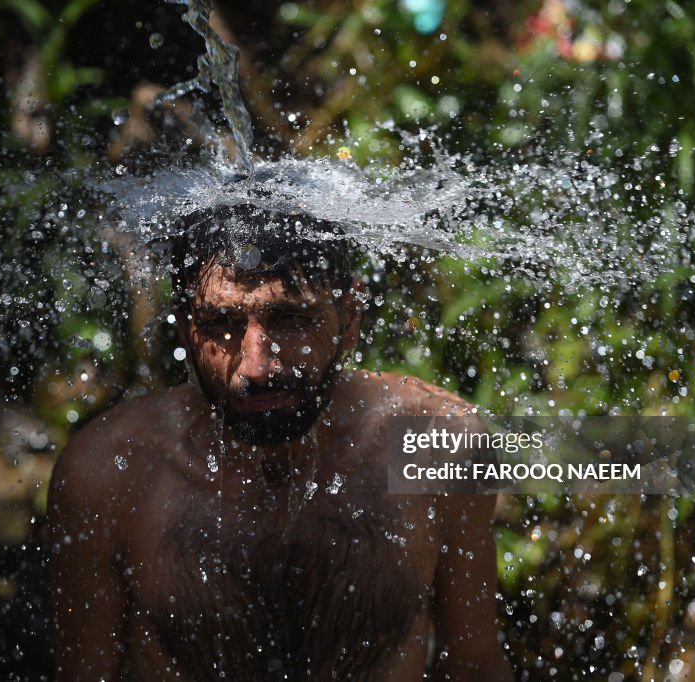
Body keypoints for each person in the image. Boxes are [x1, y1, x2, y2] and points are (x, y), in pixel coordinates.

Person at [48, 205, 513, 681]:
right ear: (187, 326)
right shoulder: (109, 472)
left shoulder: (440, 442)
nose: (256, 367)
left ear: (350, 319)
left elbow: (474, 663)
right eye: (221, 323)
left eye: (291, 319)